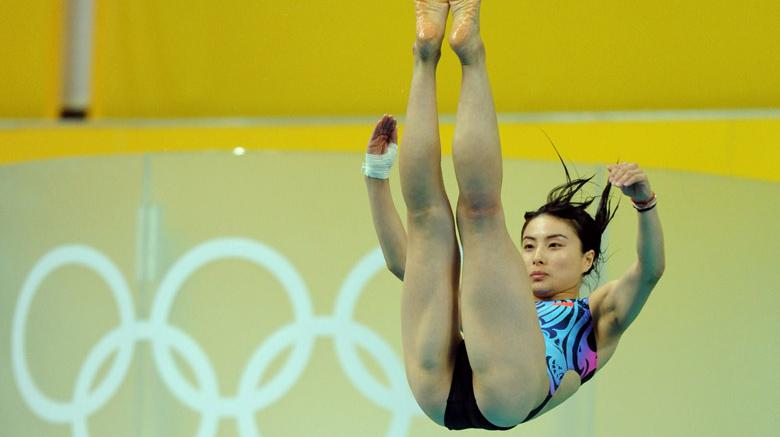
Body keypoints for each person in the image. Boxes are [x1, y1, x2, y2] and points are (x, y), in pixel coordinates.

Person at [362, 0, 665, 430]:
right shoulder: (492, 300)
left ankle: (470, 53)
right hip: (440, 391)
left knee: (477, 215)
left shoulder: (599, 315)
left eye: (555, 244)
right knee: (429, 217)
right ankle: (425, 54)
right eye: (528, 245)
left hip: (508, 389)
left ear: (588, 259)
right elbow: (404, 266)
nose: (537, 256)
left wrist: (645, 202)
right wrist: (376, 176)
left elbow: (651, 269)